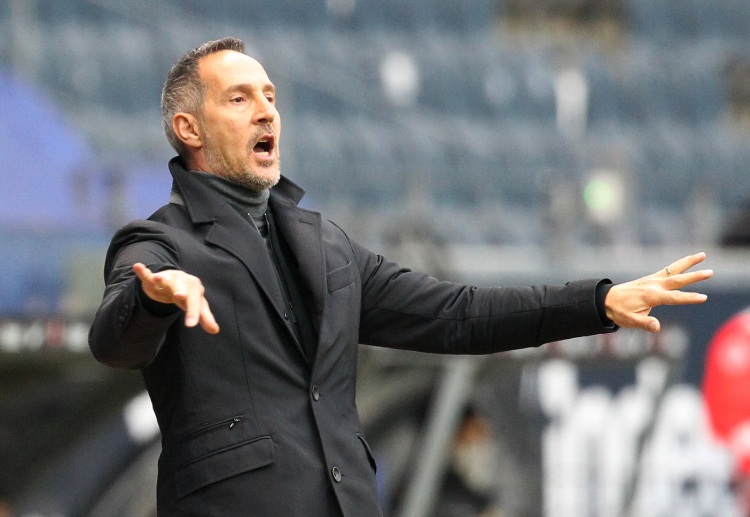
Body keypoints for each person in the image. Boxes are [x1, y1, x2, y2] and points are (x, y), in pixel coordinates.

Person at [88, 37, 713, 517]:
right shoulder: (162, 244)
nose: (266, 113)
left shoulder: (325, 245)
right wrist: (154, 298)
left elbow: (458, 314)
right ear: (189, 129)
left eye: (271, 97)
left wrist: (599, 301)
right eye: (239, 98)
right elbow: (114, 341)